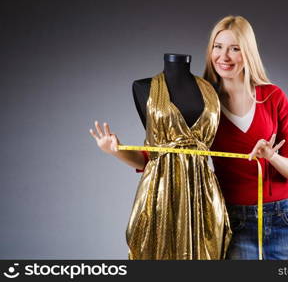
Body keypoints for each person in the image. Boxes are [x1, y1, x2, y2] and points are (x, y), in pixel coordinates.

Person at [89, 54, 231, 259]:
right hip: (160, 188)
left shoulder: (213, 90)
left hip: (203, 190)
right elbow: (151, 157)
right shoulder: (143, 87)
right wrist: (115, 150)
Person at [204, 15, 288, 260]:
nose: (224, 57)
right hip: (233, 221)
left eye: (234, 49)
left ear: (248, 52)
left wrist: (271, 156)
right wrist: (115, 149)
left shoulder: (273, 97)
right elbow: (158, 156)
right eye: (217, 47)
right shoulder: (204, 102)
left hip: (282, 217)